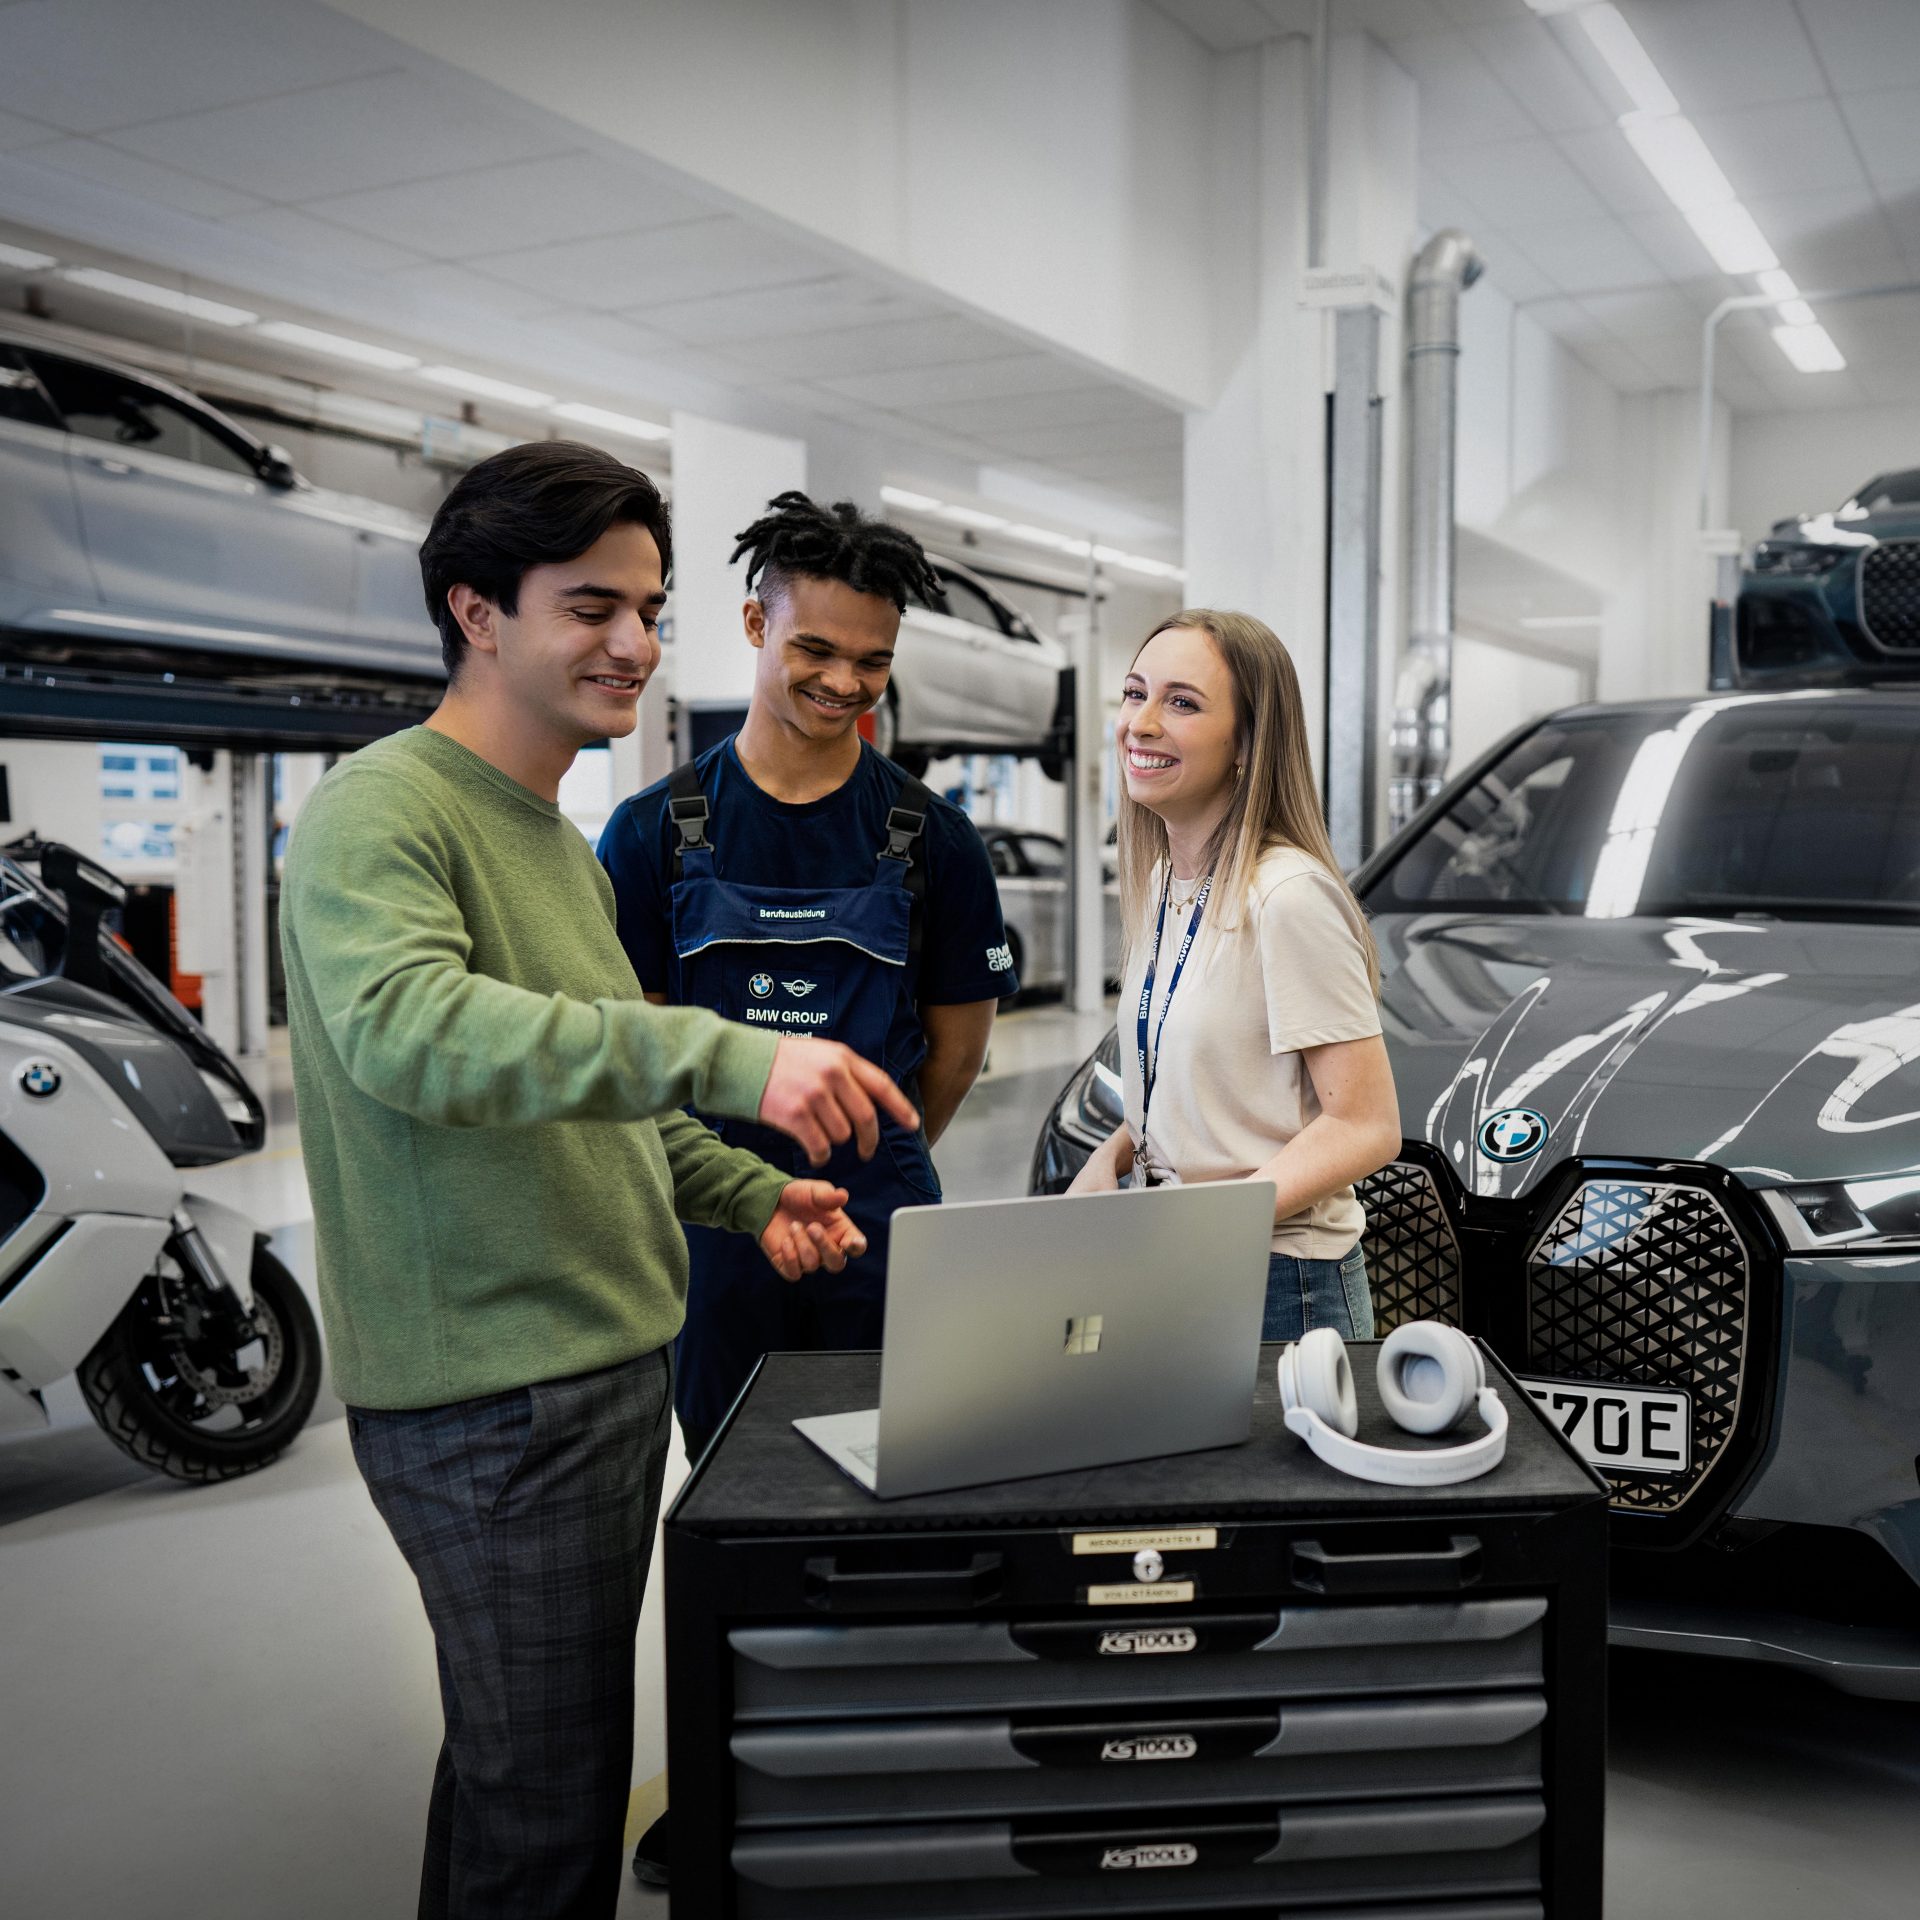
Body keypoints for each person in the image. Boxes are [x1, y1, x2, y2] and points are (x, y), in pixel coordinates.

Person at [280, 442, 917, 1920]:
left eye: (649, 607)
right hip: (496, 1393)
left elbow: (599, 1094)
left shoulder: (556, 848)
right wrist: (730, 1057)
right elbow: (413, 1033)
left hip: (593, 1365)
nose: (635, 643)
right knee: (547, 1813)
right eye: (591, 606)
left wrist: (755, 1194)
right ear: (477, 611)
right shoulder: (385, 812)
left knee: (523, 1769)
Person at [600, 490, 1018, 1462]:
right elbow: (637, 1053)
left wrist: (872, 1155)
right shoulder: (653, 833)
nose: (845, 682)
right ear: (756, 623)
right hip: (711, 1236)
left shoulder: (934, 841)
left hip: (881, 1229)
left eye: (873, 661)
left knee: (901, 1465)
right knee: (732, 1476)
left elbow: (955, 1056)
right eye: (817, 651)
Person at [1067, 608, 1401, 1342]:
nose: (1141, 723)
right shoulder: (1165, 885)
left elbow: (1368, 1126)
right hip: (1183, 1254)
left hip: (1280, 1280)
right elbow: (1195, 1087)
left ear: (1247, 743)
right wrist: (1112, 1153)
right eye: (1134, 694)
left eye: (1181, 703)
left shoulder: (1285, 896)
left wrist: (1206, 1228)